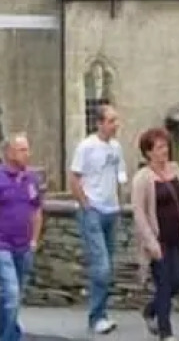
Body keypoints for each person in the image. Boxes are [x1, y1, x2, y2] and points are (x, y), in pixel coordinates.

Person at [0, 133, 44, 341]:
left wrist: (34, 240)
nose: (27, 154)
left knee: (13, 296)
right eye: (22, 150)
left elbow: (36, 210)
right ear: (10, 153)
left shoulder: (31, 179)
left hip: (23, 245)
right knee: (11, 293)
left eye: (27, 149)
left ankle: (9, 335)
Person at [131, 127, 179, 341]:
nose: (164, 151)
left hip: (177, 238)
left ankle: (151, 310)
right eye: (159, 147)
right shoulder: (143, 178)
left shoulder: (176, 170)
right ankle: (165, 332)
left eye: (165, 146)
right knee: (164, 284)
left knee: (177, 282)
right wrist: (150, 242)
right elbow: (139, 213)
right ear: (148, 152)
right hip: (158, 241)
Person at [70, 104, 127, 335]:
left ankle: (101, 313)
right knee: (101, 266)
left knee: (107, 266)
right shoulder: (86, 147)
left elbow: (120, 177)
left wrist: (119, 204)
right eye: (111, 121)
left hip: (111, 211)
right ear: (100, 123)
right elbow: (74, 178)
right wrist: (86, 204)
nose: (116, 125)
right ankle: (97, 317)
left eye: (116, 120)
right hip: (92, 211)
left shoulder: (116, 148)